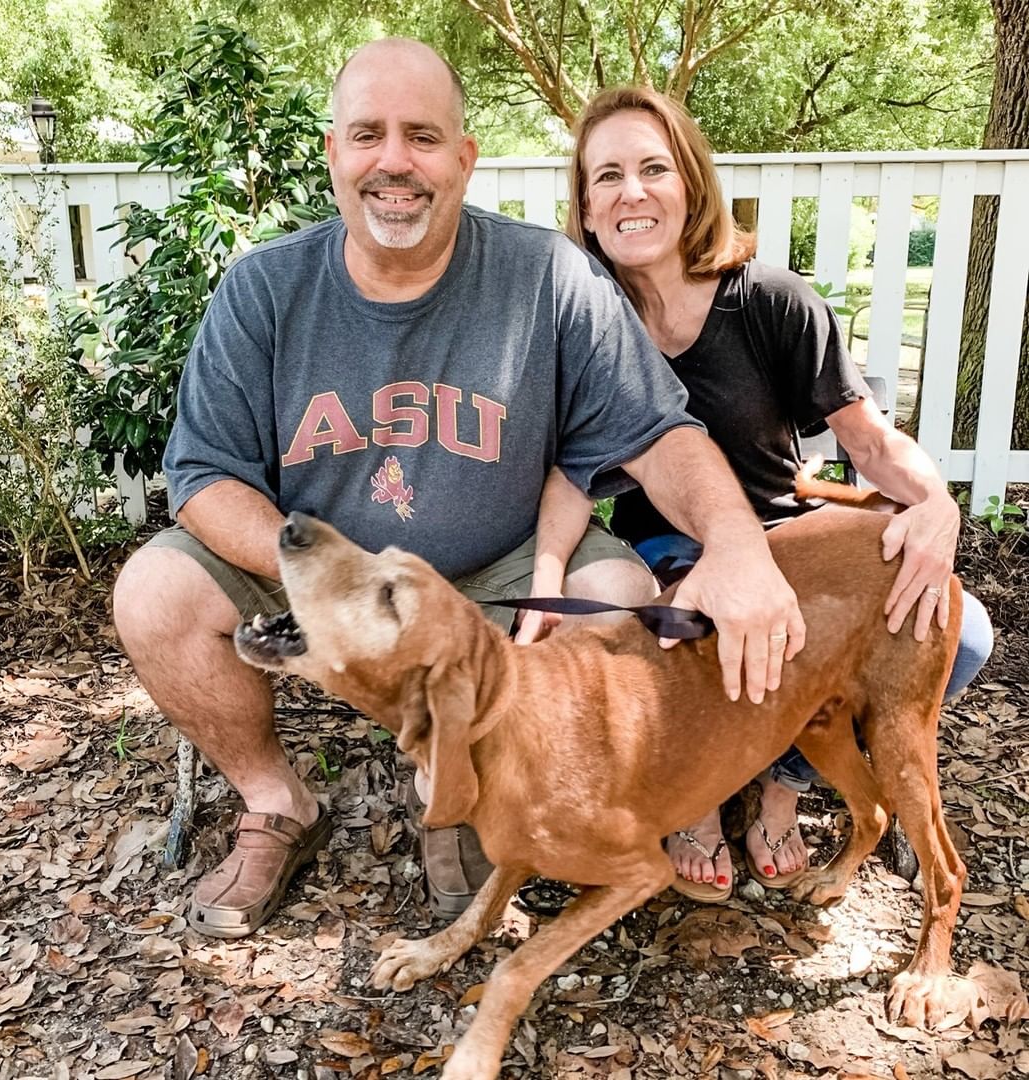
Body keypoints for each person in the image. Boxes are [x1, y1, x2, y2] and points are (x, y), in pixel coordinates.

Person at [111, 39, 806, 937]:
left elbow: (659, 433)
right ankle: (277, 803)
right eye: (368, 134)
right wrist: (339, 584)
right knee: (155, 593)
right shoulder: (264, 289)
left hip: (499, 566)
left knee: (619, 592)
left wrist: (740, 544)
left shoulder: (549, 277)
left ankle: (481, 793)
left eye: (423, 137)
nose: (394, 161)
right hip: (330, 572)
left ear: (465, 158)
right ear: (334, 153)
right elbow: (203, 477)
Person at [564, 85, 994, 901]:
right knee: (680, 627)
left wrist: (935, 501)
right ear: (585, 205)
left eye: (653, 167)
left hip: (787, 536)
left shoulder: (769, 301)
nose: (632, 191)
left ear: (689, 183)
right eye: (607, 174)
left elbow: (867, 439)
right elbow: (563, 476)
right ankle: (696, 798)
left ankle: (783, 785)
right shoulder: (583, 319)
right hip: (663, 549)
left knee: (961, 634)